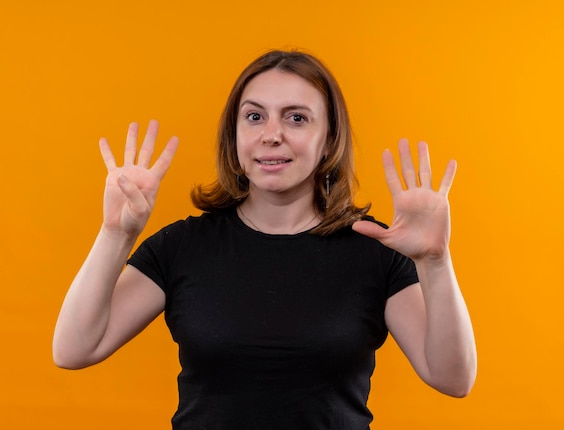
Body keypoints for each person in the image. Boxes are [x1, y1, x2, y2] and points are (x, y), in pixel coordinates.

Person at [53, 50, 476, 429]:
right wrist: (115, 234)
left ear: (329, 138)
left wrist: (435, 263)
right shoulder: (181, 247)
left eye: (296, 118)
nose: (271, 134)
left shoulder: (376, 250)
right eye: (254, 117)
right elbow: (74, 349)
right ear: (234, 136)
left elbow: (453, 378)